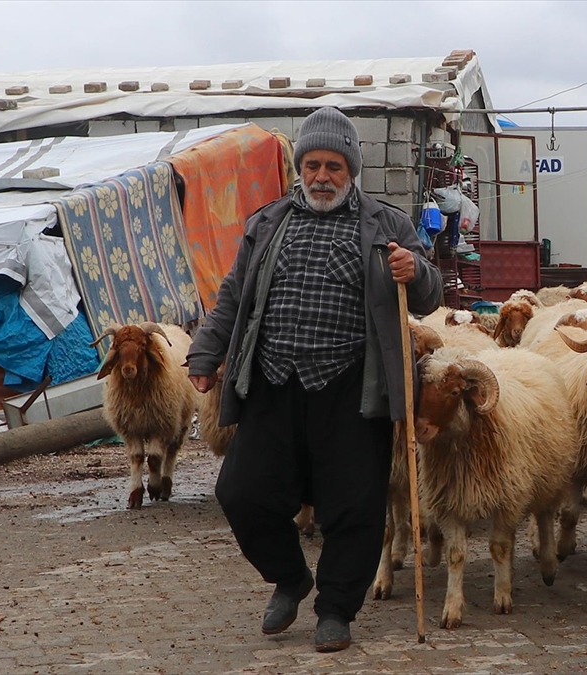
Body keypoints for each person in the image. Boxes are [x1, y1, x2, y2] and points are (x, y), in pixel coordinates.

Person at [185, 106, 442, 652]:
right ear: (299, 168)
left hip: (352, 386)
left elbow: (428, 294)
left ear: (351, 170)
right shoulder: (268, 221)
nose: (322, 176)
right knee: (241, 491)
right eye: (312, 165)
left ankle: (335, 609)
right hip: (274, 382)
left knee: (354, 505)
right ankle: (290, 577)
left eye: (334, 166)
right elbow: (233, 295)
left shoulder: (386, 225)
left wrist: (413, 269)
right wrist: (205, 354)